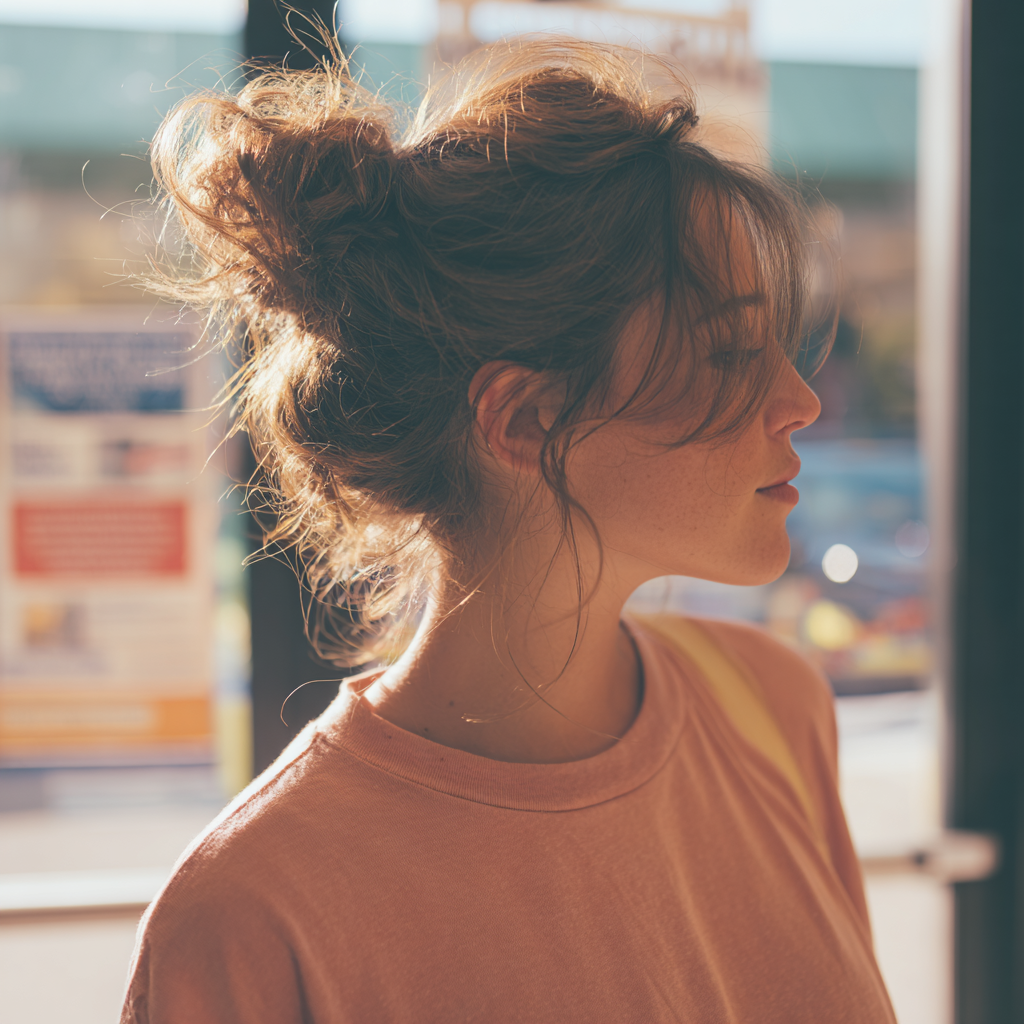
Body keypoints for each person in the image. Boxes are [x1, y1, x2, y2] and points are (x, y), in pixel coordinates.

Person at [121, 38, 895, 1024]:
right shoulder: (257, 914)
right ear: (526, 420)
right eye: (731, 352)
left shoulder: (774, 713)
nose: (797, 401)